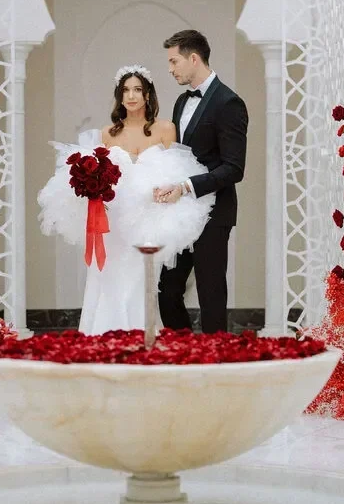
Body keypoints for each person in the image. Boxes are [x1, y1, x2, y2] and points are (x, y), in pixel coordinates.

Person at [37, 65, 214, 334]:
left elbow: (177, 172)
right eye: (125, 90)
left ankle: (142, 337)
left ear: (147, 95)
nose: (131, 95)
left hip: (148, 221)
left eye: (137, 89)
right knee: (110, 279)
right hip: (115, 222)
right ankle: (103, 335)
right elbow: (104, 175)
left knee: (142, 281)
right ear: (120, 96)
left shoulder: (165, 129)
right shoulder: (108, 133)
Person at [153, 29, 248, 334]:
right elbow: (180, 155)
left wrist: (187, 186)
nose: (170, 69)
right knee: (166, 290)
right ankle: (185, 352)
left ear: (193, 58)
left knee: (210, 294)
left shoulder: (229, 103)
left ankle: (215, 363)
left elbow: (234, 168)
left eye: (174, 61)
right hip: (182, 214)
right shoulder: (181, 102)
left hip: (214, 213)